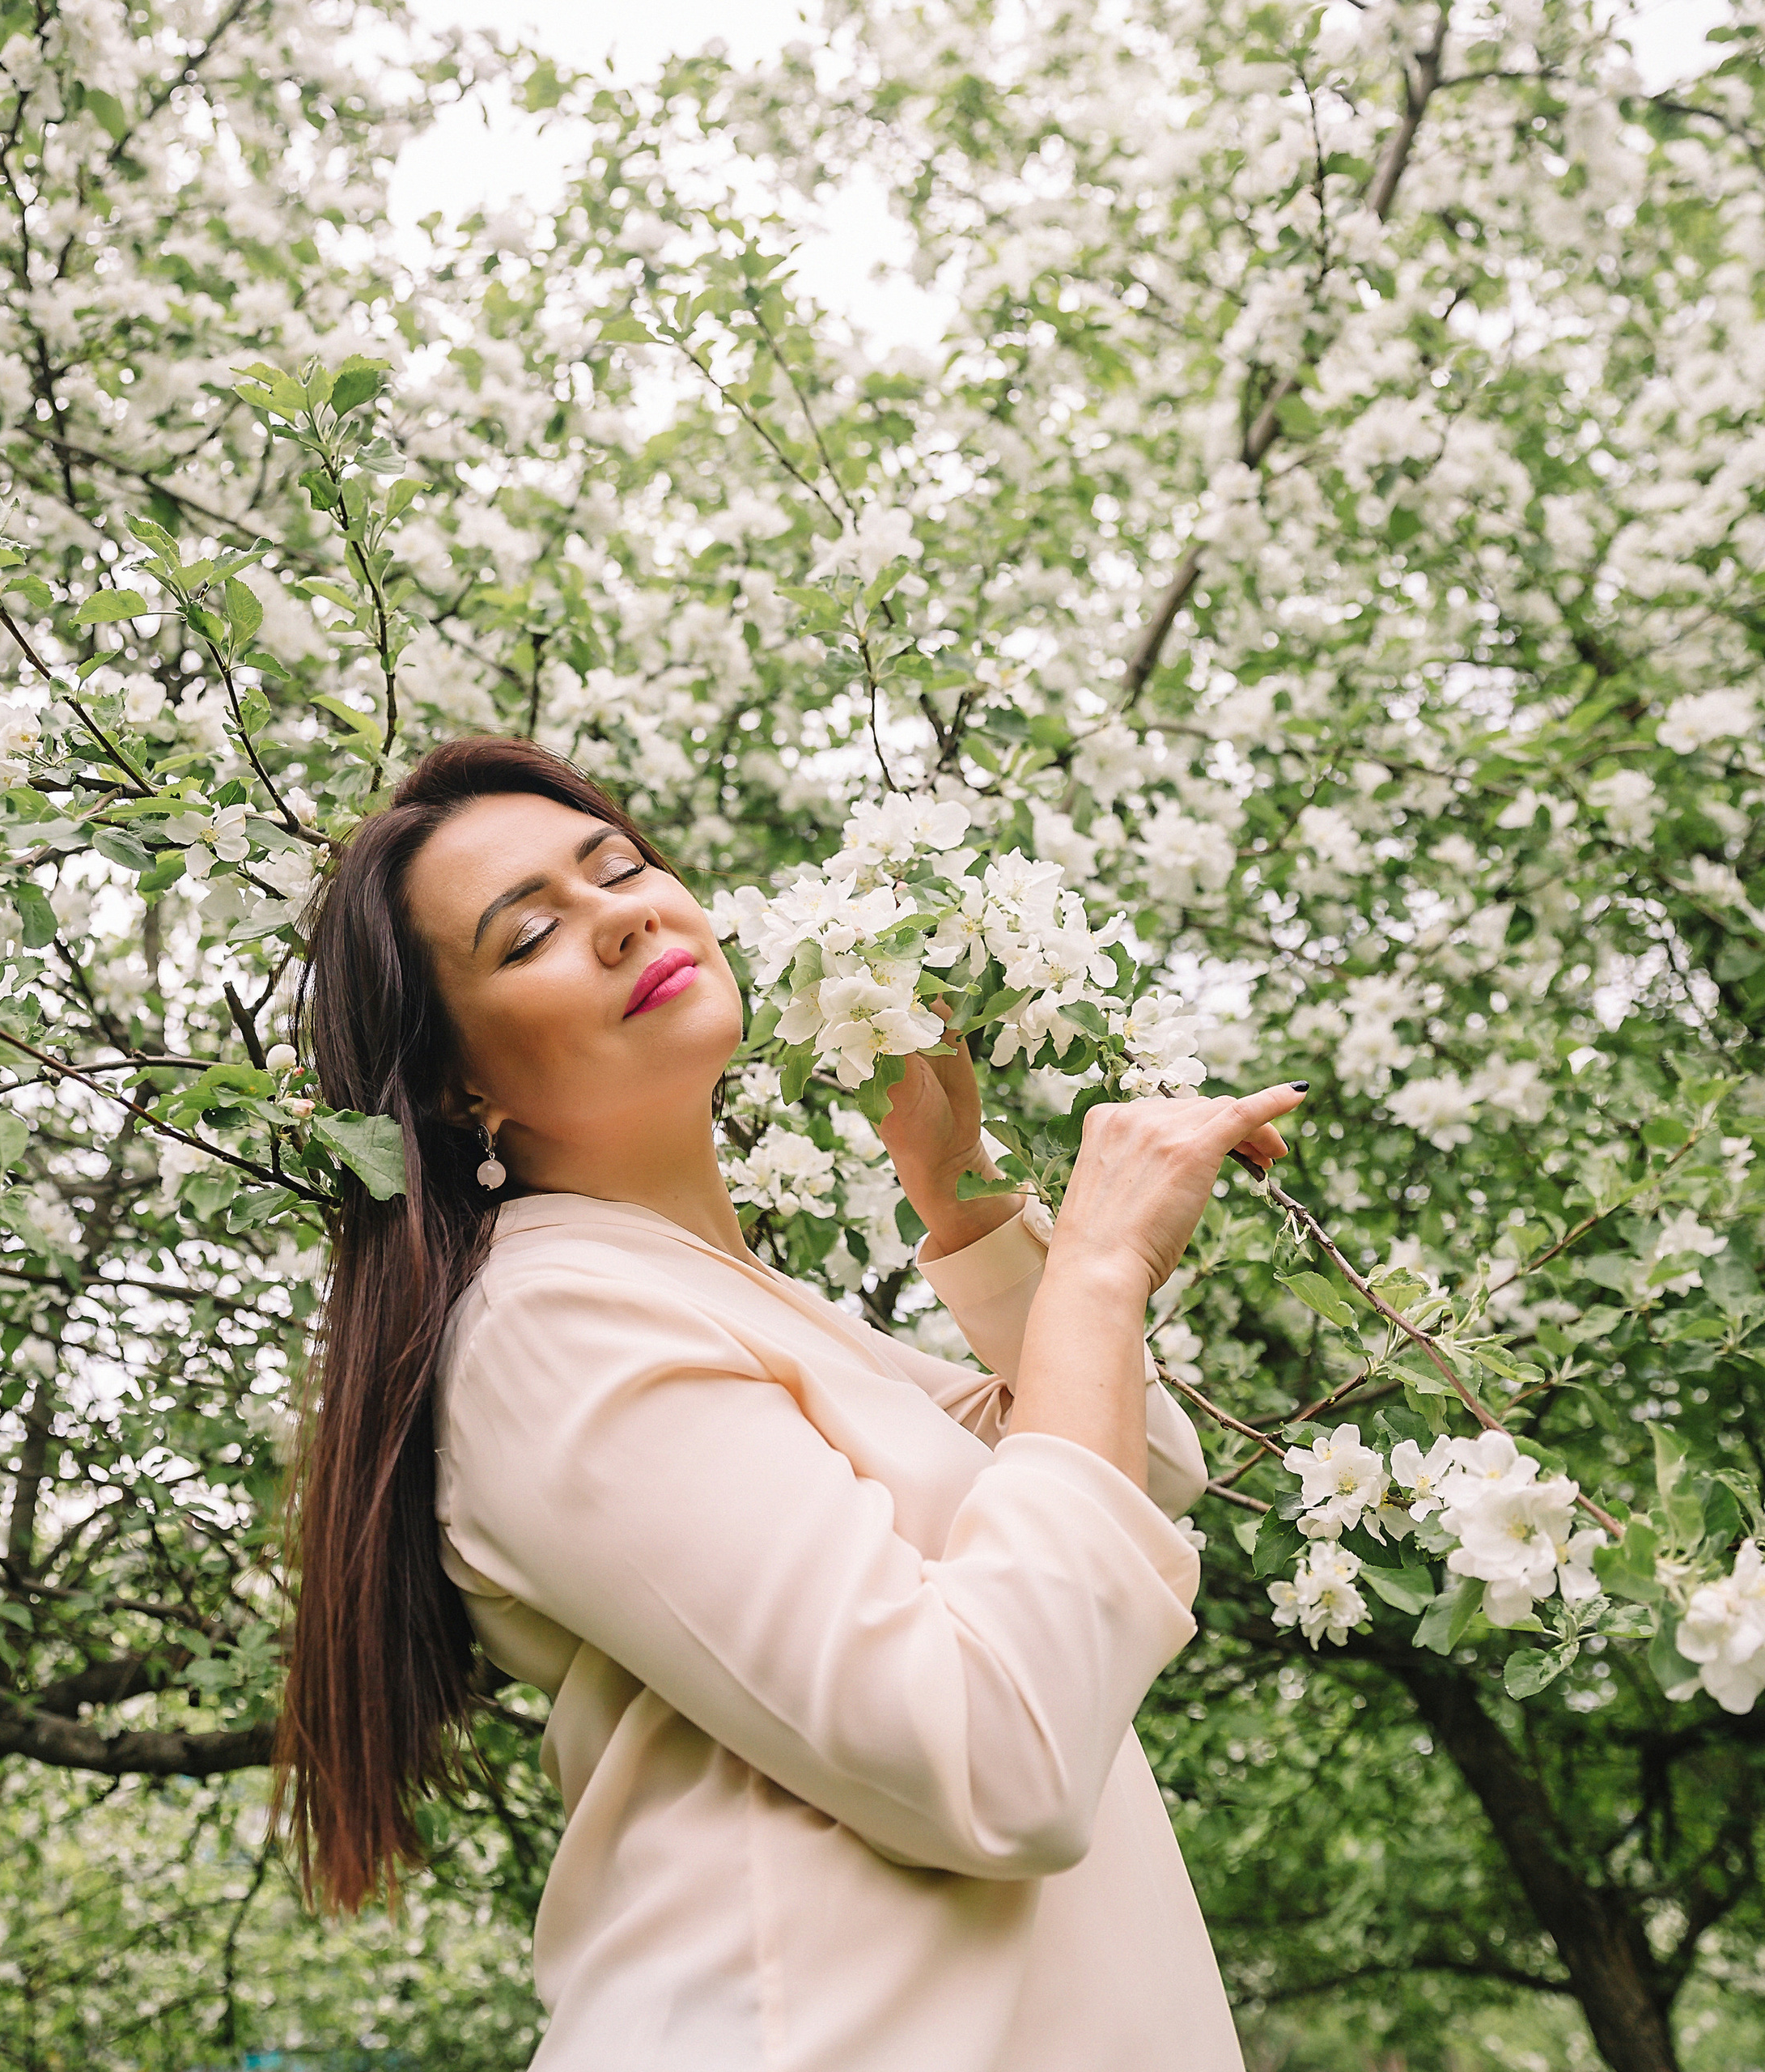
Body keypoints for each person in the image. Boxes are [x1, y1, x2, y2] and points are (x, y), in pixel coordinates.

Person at [275, 734, 1305, 2070]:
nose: (619, 914)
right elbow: (997, 1759)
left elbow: (1135, 1470)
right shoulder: (551, 1326)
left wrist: (965, 1193)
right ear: (457, 1083)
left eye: (623, 867)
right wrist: (1101, 1259)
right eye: (529, 933)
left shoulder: (753, 1307)